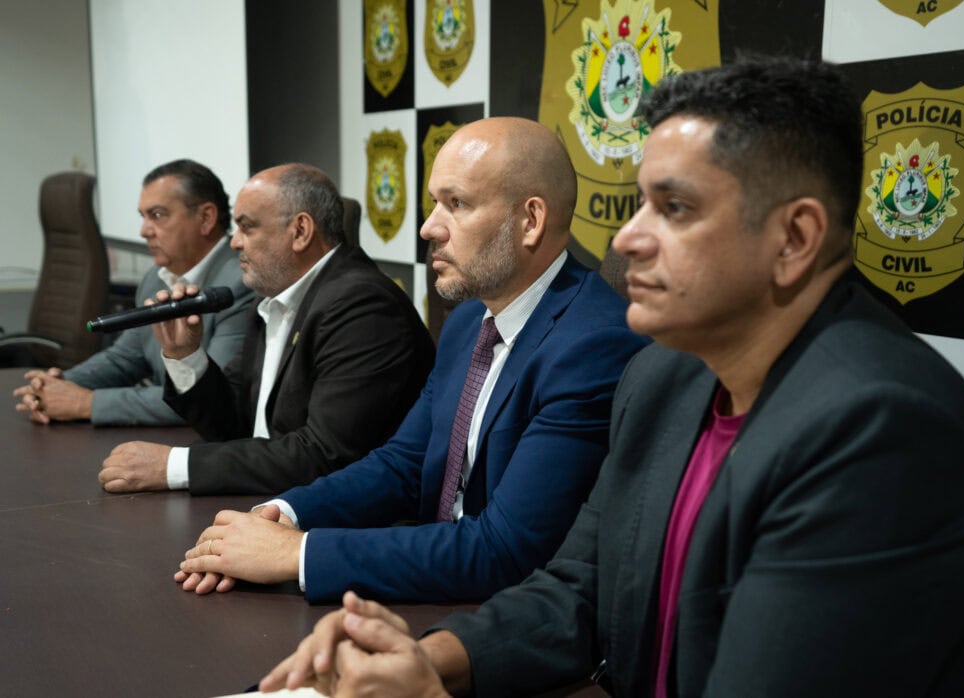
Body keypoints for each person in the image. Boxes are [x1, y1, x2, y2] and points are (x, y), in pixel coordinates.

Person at [260, 57, 964, 697]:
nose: (627, 239)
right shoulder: (662, 379)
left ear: (795, 238)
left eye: (674, 208)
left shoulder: (880, 432)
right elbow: (579, 589)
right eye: (636, 205)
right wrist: (426, 659)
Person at [173, 117, 649, 602]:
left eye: (456, 204)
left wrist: (297, 554)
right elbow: (405, 463)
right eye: (433, 204)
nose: (428, 227)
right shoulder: (468, 321)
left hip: (500, 613)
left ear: (530, 221)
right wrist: (280, 515)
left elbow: (506, 552)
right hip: (429, 575)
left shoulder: (592, 347)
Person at [97, 163, 435, 495]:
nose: (234, 242)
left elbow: (325, 455)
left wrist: (174, 466)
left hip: (344, 523)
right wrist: (185, 355)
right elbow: (232, 426)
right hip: (271, 496)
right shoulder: (275, 297)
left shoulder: (363, 307)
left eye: (247, 227)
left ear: (300, 231)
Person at [13, 159, 252, 426]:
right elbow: (125, 358)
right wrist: (59, 384)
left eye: (158, 215)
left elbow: (211, 398)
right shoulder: (155, 278)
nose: (144, 231)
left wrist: (85, 403)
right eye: (143, 217)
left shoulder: (241, 284)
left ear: (206, 218)